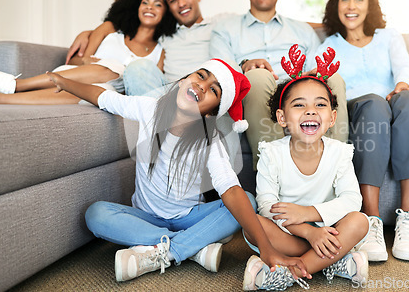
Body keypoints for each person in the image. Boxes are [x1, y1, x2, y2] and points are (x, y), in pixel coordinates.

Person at [46, 59, 311, 283]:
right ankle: (193, 248)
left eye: (212, 90)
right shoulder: (150, 109)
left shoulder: (210, 139)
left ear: (211, 113)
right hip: (144, 217)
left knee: (247, 201)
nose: (201, 86)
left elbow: (230, 189)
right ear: (184, 79)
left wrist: (267, 249)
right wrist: (64, 82)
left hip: (188, 216)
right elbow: (104, 98)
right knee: (96, 214)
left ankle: (169, 251)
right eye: (200, 76)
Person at [318, 0, 409, 262]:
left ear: (370, 5)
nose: (351, 5)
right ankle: (370, 220)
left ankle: (408, 219)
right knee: (373, 103)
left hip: (393, 100)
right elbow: (304, 71)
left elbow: (403, 68)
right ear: (336, 6)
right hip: (362, 108)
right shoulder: (329, 45)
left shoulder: (388, 36)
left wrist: (400, 86)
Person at [242, 46, 369, 291]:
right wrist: (308, 233)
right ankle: (331, 261)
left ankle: (289, 272)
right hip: (292, 234)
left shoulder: (339, 153)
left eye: (320, 105)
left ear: (332, 118)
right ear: (282, 118)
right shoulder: (271, 153)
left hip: (329, 230)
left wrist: (308, 212)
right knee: (253, 225)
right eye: (299, 105)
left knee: (359, 222)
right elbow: (267, 206)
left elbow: (352, 200)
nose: (310, 110)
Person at [209, 0, 349, 171]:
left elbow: (316, 68)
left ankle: (339, 169)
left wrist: (313, 75)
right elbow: (219, 71)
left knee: (333, 78)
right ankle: (272, 172)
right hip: (253, 91)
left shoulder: (302, 30)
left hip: (297, 91)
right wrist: (245, 65)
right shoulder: (224, 29)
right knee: (258, 75)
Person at [0, 0, 176, 105]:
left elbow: (149, 87)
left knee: (96, 92)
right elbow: (76, 62)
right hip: (71, 74)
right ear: (137, 7)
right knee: (109, 68)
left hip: (105, 92)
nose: (150, 7)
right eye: (145, 2)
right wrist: (89, 62)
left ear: (165, 13)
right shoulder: (110, 29)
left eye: (158, 4)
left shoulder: (159, 53)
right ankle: (17, 85)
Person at [66, 0, 228, 97]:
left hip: (203, 91)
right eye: (173, 0)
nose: (181, 4)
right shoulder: (167, 36)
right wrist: (88, 34)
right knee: (137, 68)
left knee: (105, 87)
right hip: (166, 94)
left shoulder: (221, 23)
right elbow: (135, 31)